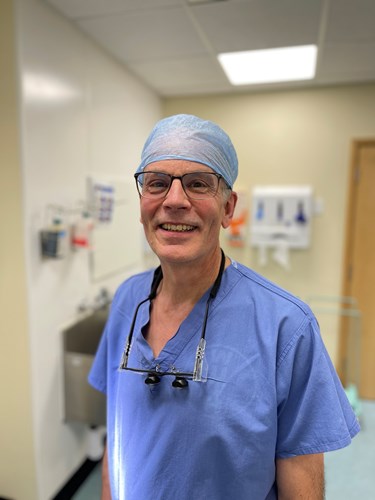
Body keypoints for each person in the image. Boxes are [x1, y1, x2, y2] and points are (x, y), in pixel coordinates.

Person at [89, 114, 360, 500]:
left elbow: (301, 480)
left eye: (198, 184)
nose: (174, 201)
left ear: (228, 208)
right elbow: (116, 437)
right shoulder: (127, 304)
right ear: (142, 203)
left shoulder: (287, 327)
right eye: (157, 184)